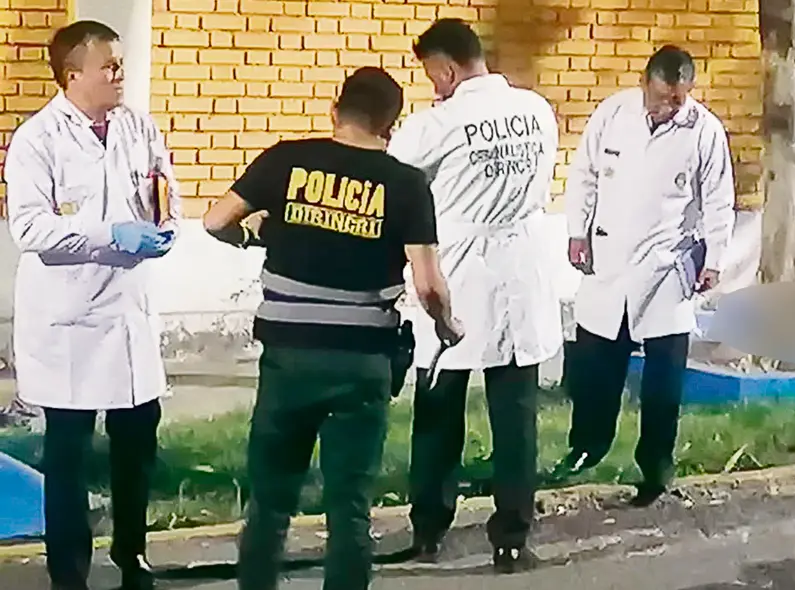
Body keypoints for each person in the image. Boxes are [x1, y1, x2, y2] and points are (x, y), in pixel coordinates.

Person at [201, 66, 462, 590]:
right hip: (361, 362)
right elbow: (429, 284)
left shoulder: (285, 159)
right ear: (392, 123)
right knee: (349, 507)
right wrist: (448, 326)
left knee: (270, 502)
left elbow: (214, 220)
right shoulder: (406, 185)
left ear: (335, 112)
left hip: (288, 356)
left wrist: (256, 237)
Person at [3, 20, 179, 590]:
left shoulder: (138, 126)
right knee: (69, 456)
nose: (119, 74)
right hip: (69, 319)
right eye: (109, 66)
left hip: (128, 313)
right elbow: (30, 227)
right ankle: (69, 573)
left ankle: (133, 555)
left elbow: (162, 189)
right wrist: (111, 234)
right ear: (73, 74)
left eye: (120, 64)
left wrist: (164, 226)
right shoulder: (38, 139)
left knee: (137, 442)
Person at [385, 18, 562, 573]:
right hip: (522, 266)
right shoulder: (536, 110)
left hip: (458, 270)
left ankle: (429, 529)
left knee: (439, 406)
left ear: (446, 68)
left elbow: (388, 178)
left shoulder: (435, 123)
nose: (433, 86)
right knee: (516, 412)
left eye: (432, 76)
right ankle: (512, 535)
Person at [556, 45, 736, 508]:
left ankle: (655, 467)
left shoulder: (705, 130)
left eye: (680, 98)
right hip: (608, 259)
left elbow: (718, 200)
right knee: (597, 369)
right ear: (645, 84)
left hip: (666, 268)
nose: (671, 107)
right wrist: (576, 232)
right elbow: (584, 176)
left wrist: (714, 259)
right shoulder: (613, 114)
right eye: (663, 97)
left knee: (663, 382)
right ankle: (586, 447)